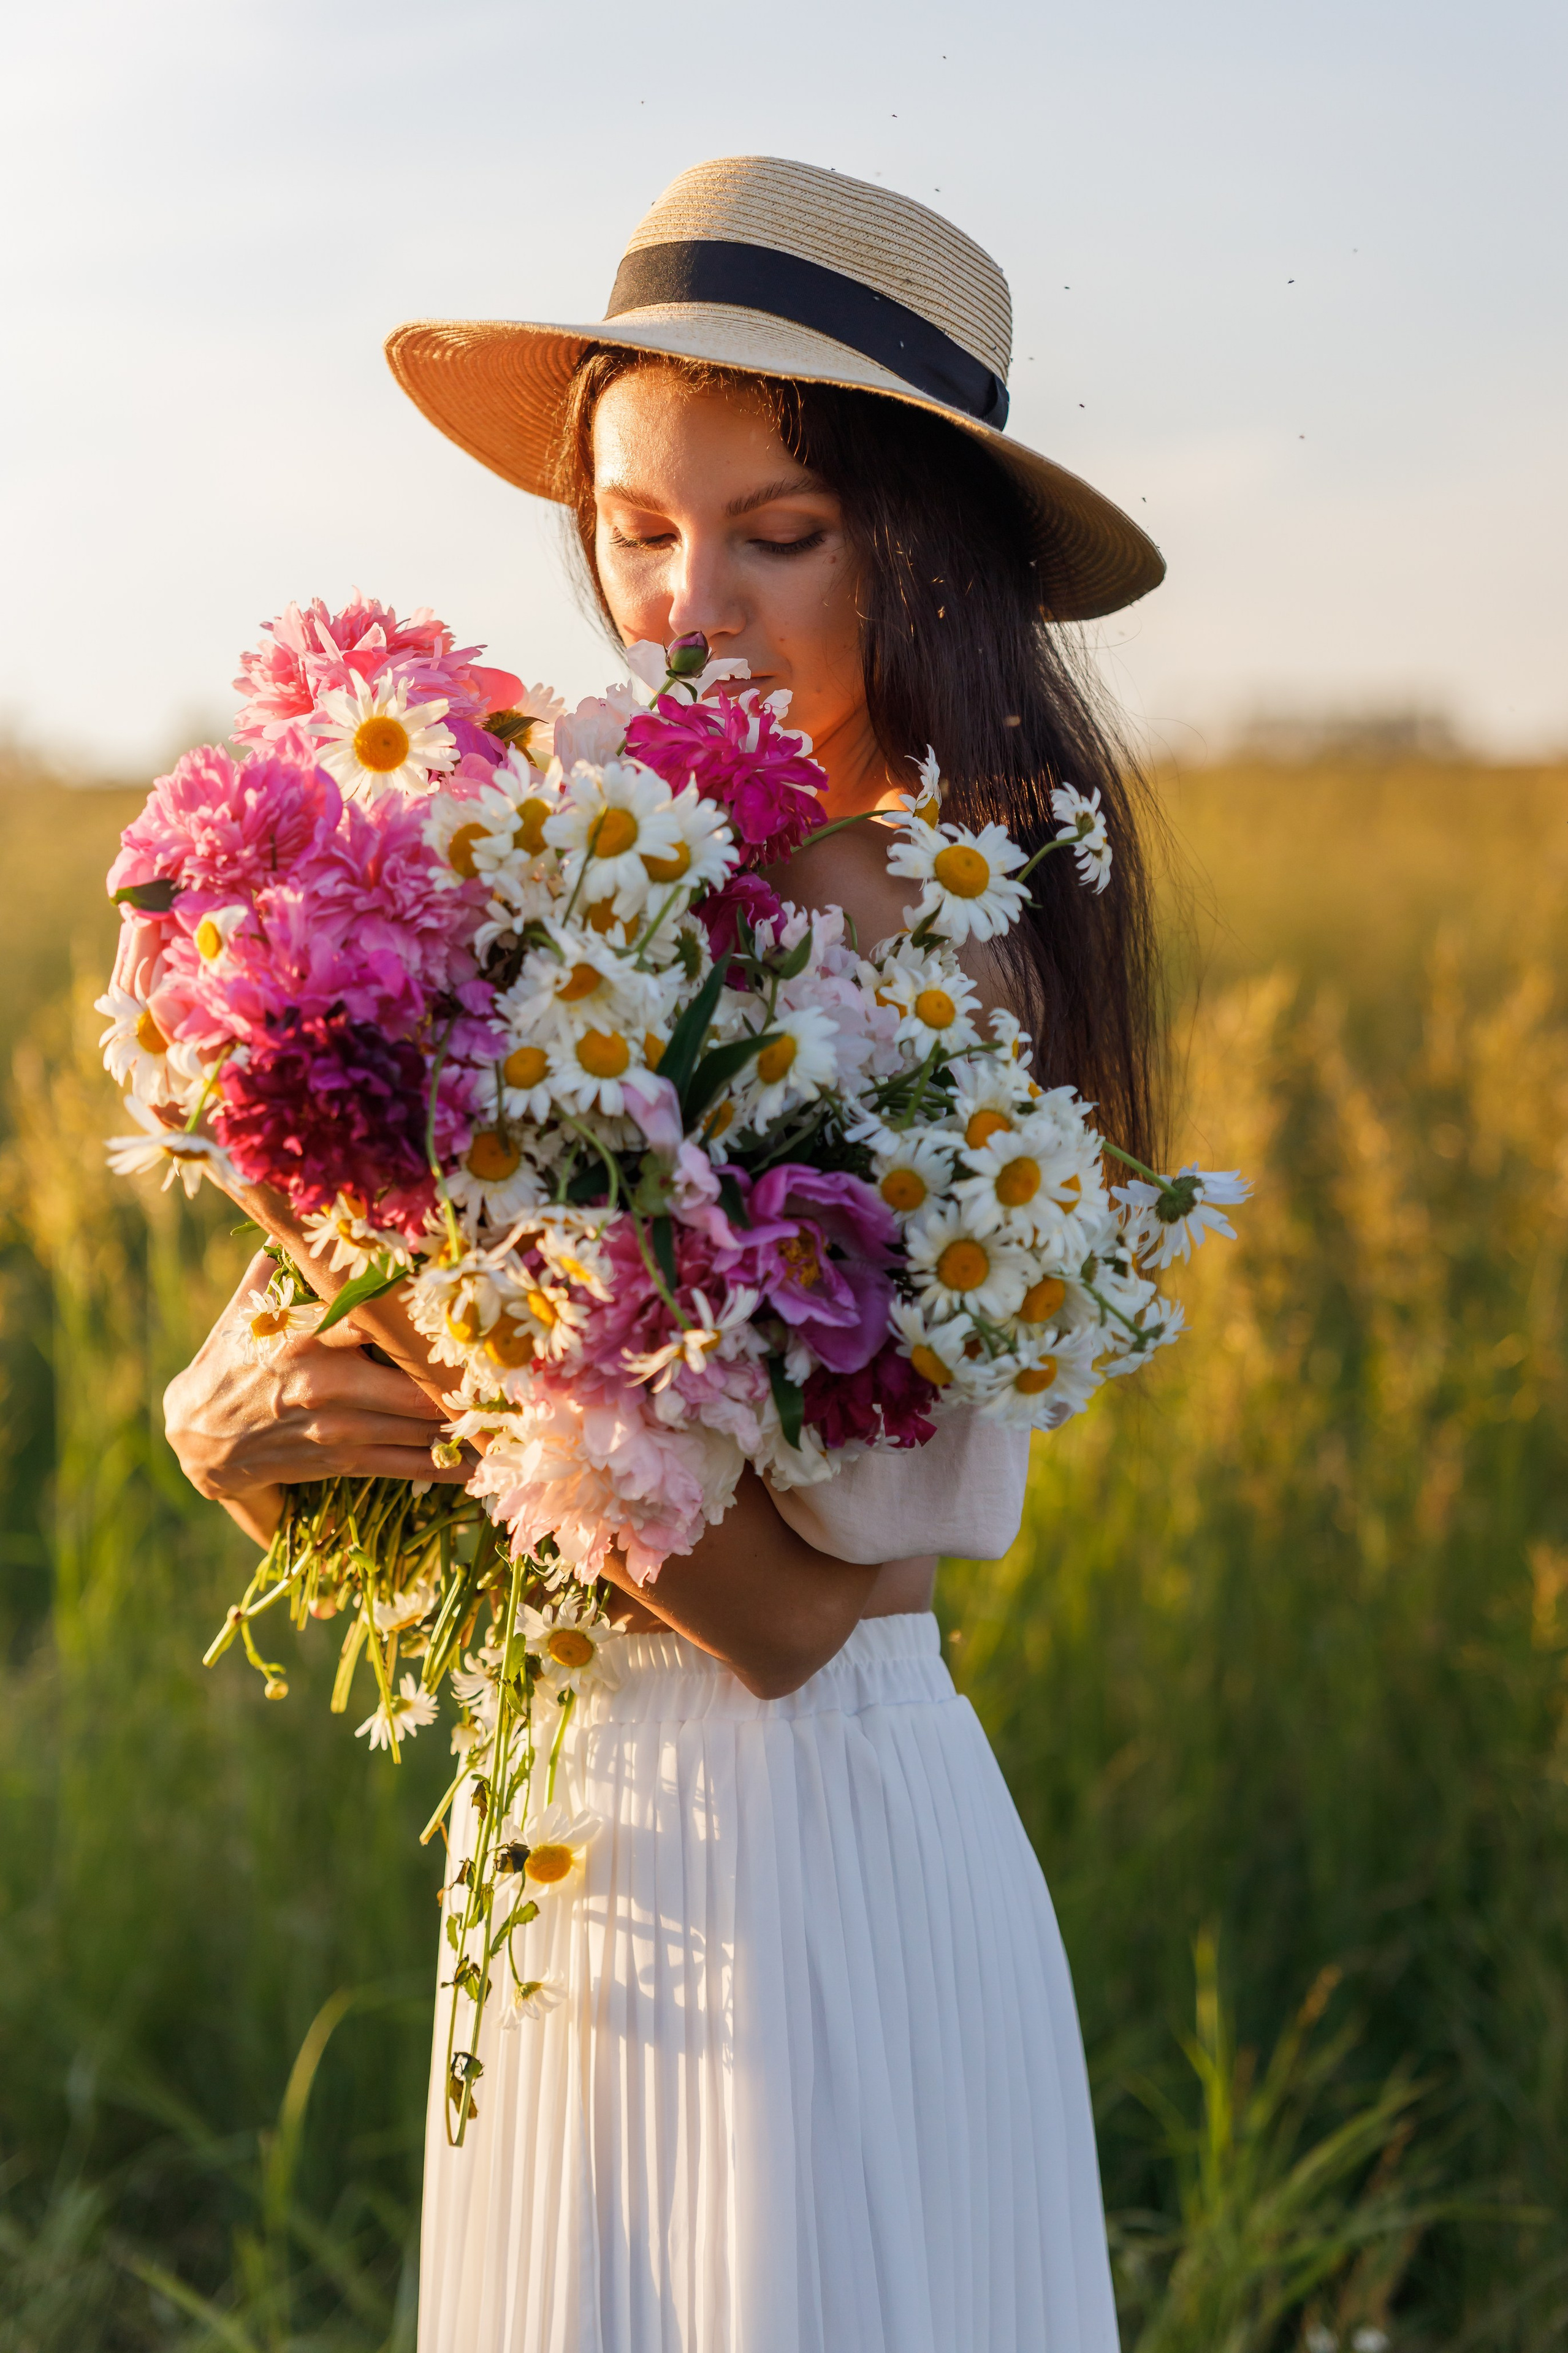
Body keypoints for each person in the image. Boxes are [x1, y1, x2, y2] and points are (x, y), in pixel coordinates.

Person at [165, 155, 1165, 2353]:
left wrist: (435, 1285)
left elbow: (801, 1617)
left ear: (937, 551)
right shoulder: (586, 881)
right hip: (569, 1847)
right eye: (633, 527)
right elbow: (462, 1384)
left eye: (777, 534)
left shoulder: (946, 941)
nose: (685, 605)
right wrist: (255, 1413)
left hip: (801, 1860)